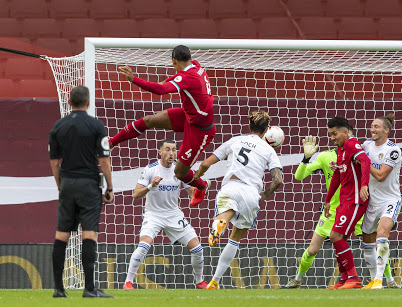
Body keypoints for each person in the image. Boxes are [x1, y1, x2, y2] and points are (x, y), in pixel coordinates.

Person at [110, 45, 215, 207]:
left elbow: (161, 90)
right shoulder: (195, 65)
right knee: (150, 120)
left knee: (179, 172)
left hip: (200, 130)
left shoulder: (188, 77)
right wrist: (164, 83)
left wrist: (134, 79)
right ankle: (111, 143)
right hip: (189, 117)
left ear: (174, 61)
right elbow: (168, 82)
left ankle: (202, 186)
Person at [284, 136, 396, 289]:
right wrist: (306, 158)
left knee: (373, 243)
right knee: (312, 250)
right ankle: (297, 279)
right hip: (332, 212)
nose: (336, 139)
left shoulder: (358, 153)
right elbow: (299, 176)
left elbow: (367, 166)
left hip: (353, 209)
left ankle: (388, 281)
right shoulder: (326, 156)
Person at [192, 110, 284, 290]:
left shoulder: (235, 141)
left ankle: (219, 224)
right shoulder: (268, 149)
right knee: (235, 238)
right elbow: (278, 179)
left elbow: (205, 164)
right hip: (251, 193)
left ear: (249, 126)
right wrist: (265, 195)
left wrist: (196, 180)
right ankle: (215, 281)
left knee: (225, 214)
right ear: (266, 130)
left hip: (231, 186)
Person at [49, 86, 114, 298]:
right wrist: (109, 187)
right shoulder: (96, 125)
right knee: (89, 233)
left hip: (67, 183)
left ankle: (59, 289)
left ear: (69, 102)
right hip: (88, 185)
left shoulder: (58, 127)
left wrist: (61, 185)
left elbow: (54, 162)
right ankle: (89, 289)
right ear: (87, 102)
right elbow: (104, 160)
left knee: (61, 234)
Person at [123, 140, 207, 290]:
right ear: (160, 152)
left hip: (174, 215)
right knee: (143, 246)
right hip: (153, 215)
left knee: (198, 249)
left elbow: (192, 195)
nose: (171, 153)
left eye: (174, 150)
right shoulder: (150, 170)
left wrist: (202, 188)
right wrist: (151, 186)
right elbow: (135, 195)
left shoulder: (180, 170)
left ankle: (200, 282)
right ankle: (128, 282)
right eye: (168, 150)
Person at [323, 116, 370, 289]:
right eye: (330, 134)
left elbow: (365, 160)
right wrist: (328, 200)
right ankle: (344, 279)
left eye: (335, 134)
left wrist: (364, 184)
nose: (332, 138)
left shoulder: (351, 144)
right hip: (345, 200)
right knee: (338, 237)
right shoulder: (341, 149)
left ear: (345, 132)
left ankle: (354, 278)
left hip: (356, 200)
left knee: (335, 236)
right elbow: (337, 175)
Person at [360, 114, 402, 289]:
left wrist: (364, 160)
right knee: (367, 242)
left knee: (381, 233)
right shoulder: (366, 145)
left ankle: (379, 280)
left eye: (377, 127)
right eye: (371, 126)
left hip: (390, 200)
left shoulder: (393, 150)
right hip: (372, 201)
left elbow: (380, 175)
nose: (372, 129)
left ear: (386, 130)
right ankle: (376, 280)